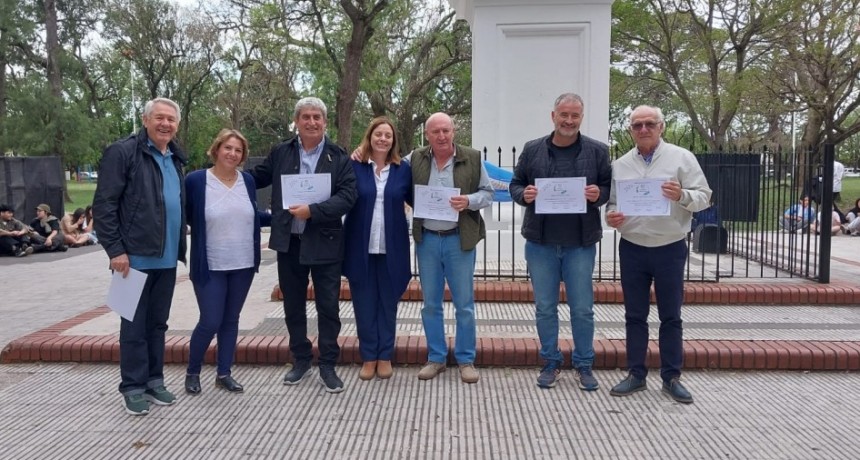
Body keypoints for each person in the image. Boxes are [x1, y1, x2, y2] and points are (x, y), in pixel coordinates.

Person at [605, 105, 712, 404]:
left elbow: (704, 197)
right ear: (630, 130)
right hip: (633, 246)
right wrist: (611, 217)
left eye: (649, 123)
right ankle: (636, 374)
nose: (643, 129)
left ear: (661, 126)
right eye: (637, 125)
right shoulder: (620, 164)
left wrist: (681, 195)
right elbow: (612, 203)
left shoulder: (682, 158)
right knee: (634, 315)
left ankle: (671, 376)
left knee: (671, 315)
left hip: (670, 246)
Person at [249, 97, 356, 393]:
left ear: (325, 122)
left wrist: (314, 211)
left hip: (325, 242)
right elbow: (256, 178)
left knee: (328, 307)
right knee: (293, 306)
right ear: (296, 121)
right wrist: (223, 173)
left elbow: (348, 196)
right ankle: (301, 359)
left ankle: (328, 364)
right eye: (305, 116)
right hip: (290, 242)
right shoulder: (281, 152)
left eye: (317, 117)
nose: (311, 122)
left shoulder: (338, 156)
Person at [509, 93, 611, 390]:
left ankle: (584, 363)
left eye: (575, 115)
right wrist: (524, 195)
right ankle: (551, 361)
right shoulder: (532, 149)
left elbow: (608, 187)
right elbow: (516, 184)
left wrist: (599, 195)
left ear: (581, 117)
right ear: (553, 116)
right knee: (545, 307)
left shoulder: (598, 151)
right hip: (540, 243)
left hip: (580, 243)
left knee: (582, 308)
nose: (569, 120)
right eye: (563, 114)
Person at [93, 97, 187, 416]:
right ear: (145, 120)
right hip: (131, 260)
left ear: (176, 125)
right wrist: (115, 250)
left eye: (171, 120)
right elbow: (104, 205)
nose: (165, 124)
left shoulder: (175, 157)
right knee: (132, 326)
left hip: (167, 259)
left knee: (157, 324)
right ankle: (132, 387)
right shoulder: (123, 152)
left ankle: (154, 381)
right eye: (159, 118)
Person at [184, 129, 270, 396]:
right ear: (216, 149)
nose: (233, 154)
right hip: (210, 264)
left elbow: (251, 215)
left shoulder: (247, 181)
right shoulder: (197, 180)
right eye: (228, 148)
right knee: (210, 320)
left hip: (243, 262)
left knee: (231, 320)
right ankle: (193, 372)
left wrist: (282, 215)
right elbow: (187, 215)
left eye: (238, 150)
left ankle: (224, 373)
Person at [410, 112, 493, 384]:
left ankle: (466, 359)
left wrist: (468, 201)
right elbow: (390, 168)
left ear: (453, 131)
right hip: (428, 240)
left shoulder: (473, 157)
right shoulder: (416, 158)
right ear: (427, 135)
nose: (442, 136)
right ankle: (436, 358)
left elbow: (488, 193)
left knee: (464, 304)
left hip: (459, 239)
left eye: (446, 130)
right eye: (435, 132)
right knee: (431, 304)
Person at [343, 117, 413, 381]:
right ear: (370, 136)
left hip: (392, 248)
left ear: (393, 141)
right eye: (378, 134)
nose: (383, 139)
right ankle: (369, 356)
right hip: (360, 247)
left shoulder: (403, 170)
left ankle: (385, 356)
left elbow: (418, 199)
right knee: (363, 304)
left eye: (388, 135)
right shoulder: (354, 166)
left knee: (388, 303)